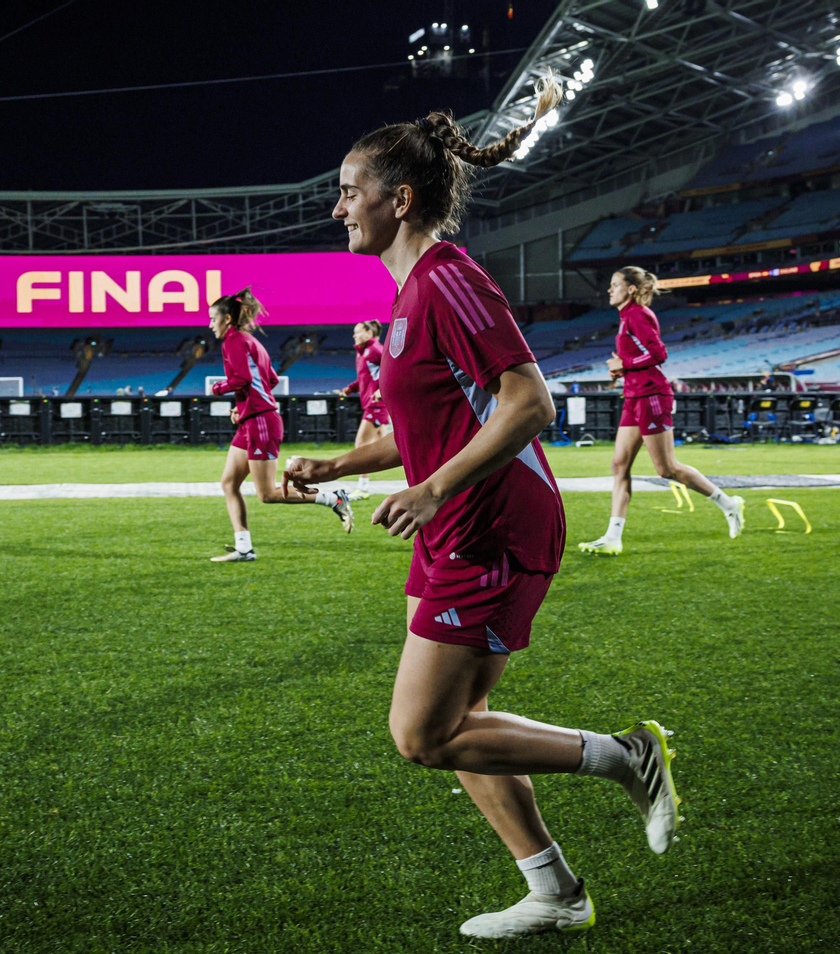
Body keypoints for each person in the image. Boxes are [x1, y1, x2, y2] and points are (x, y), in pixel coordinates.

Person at [283, 79, 680, 941]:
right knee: (464, 727)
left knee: (422, 735)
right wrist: (339, 464)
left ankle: (625, 758)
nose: (338, 205)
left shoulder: (446, 279)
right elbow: (433, 425)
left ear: (402, 198)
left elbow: (527, 402)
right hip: (464, 520)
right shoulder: (403, 297)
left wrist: (432, 488)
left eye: (351, 190)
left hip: (494, 524)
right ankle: (556, 891)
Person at [579, 267, 744, 554]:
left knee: (666, 468)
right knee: (619, 465)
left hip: (652, 396)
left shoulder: (639, 315)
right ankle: (612, 538)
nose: (609, 290)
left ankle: (728, 504)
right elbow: (640, 357)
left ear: (631, 289)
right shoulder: (625, 318)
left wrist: (625, 365)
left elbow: (659, 355)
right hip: (633, 395)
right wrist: (622, 371)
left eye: (615, 284)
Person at [206, 288, 353, 562]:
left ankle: (332, 497)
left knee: (268, 494)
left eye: (213, 319)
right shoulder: (251, 341)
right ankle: (244, 548)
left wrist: (217, 388)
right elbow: (270, 379)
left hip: (261, 422)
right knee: (228, 483)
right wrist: (242, 407)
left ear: (227, 319)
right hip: (253, 420)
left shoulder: (233, 341)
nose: (210, 324)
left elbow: (241, 381)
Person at [337, 320, 392, 497]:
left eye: (357, 332)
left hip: (377, 404)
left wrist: (380, 391)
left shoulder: (375, 349)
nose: (354, 335)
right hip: (372, 403)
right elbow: (364, 379)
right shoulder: (363, 352)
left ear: (369, 333)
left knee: (361, 444)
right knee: (389, 446)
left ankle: (363, 487)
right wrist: (350, 389)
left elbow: (392, 370)